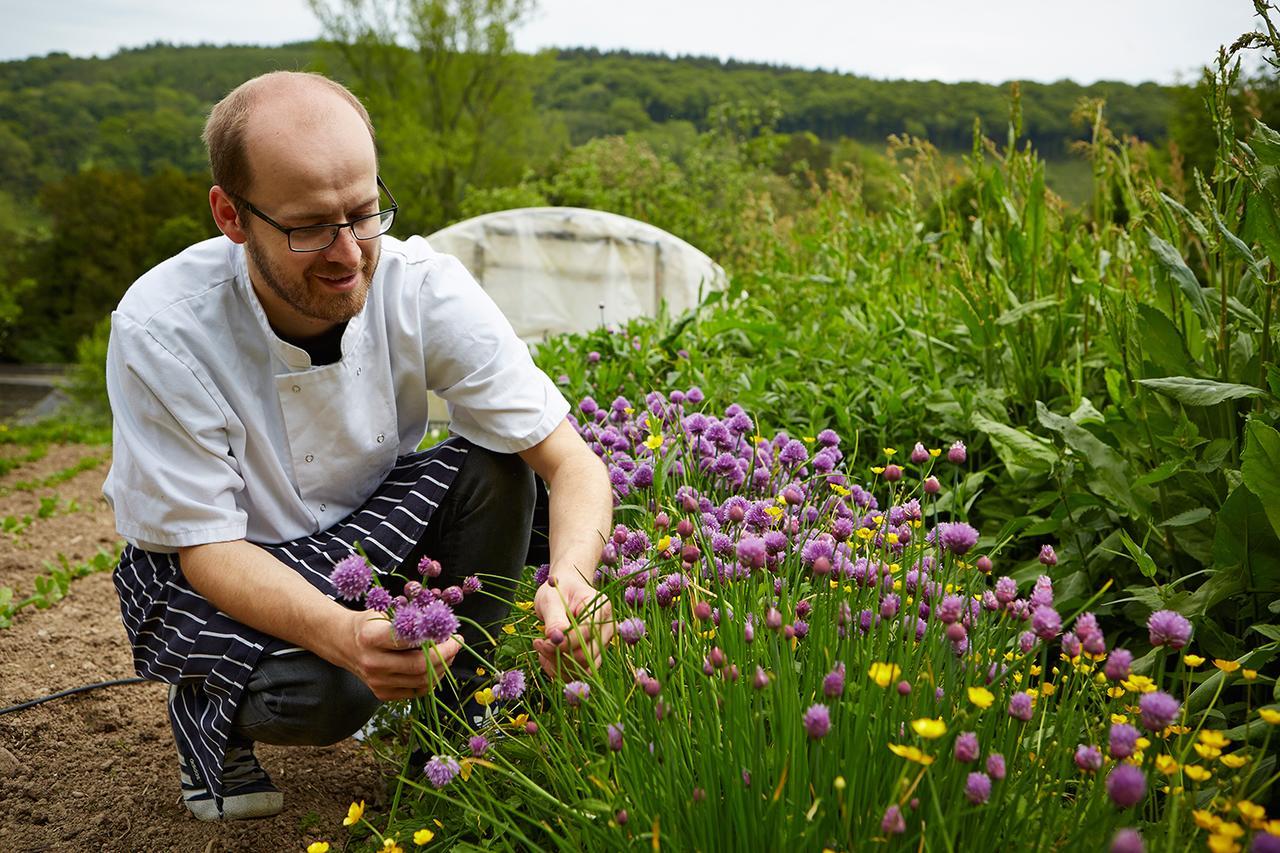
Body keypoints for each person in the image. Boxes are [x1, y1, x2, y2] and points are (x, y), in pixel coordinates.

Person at [103, 70, 614, 821]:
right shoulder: (163, 327)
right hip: (218, 560)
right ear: (231, 215)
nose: (349, 252)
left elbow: (570, 461)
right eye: (310, 226)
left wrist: (574, 581)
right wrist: (344, 637)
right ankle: (207, 707)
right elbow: (204, 546)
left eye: (364, 213)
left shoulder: (421, 286)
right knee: (325, 692)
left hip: (360, 530)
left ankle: (448, 734)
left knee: (500, 465)